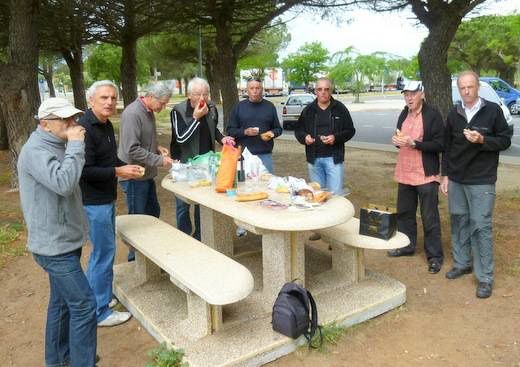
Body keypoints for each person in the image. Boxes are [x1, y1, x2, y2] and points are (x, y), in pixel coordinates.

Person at [17, 98, 97, 367]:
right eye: (65, 119)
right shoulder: (36, 151)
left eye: (74, 118)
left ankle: (59, 359)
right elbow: (63, 183)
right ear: (45, 124)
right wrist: (76, 145)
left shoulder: (58, 143)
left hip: (65, 241)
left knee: (62, 304)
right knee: (85, 305)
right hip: (52, 247)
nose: (73, 123)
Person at [441, 71, 512, 298]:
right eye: (462, 88)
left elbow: (505, 140)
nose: (466, 91)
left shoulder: (492, 110)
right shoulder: (454, 113)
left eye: (470, 87)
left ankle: (485, 278)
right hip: (457, 179)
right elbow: (448, 147)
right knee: (459, 220)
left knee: (481, 226)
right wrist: (445, 175)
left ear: (478, 86)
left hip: (481, 179)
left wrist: (483, 140)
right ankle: (462, 263)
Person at [79, 80, 143, 326]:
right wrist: (118, 172)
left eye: (113, 98)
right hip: (93, 202)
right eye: (104, 98)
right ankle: (98, 311)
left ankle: (100, 298)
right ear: (91, 100)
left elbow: (108, 159)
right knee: (103, 253)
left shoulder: (105, 125)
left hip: (106, 198)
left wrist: (124, 167)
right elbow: (85, 171)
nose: (109, 102)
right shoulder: (86, 128)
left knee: (105, 251)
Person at [386, 81, 444, 274]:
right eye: (406, 94)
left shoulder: (432, 115)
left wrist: (415, 144)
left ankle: (434, 256)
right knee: (405, 214)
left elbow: (439, 144)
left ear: (422, 94)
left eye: (412, 94)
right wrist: (397, 141)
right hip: (405, 172)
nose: (409, 98)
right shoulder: (404, 112)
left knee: (429, 217)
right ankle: (407, 246)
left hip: (425, 175)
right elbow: (400, 136)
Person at [170, 77, 234, 240]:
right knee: (183, 205)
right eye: (197, 94)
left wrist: (222, 139)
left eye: (205, 93)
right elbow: (181, 138)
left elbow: (214, 131)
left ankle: (200, 235)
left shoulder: (211, 107)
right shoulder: (178, 111)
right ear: (189, 94)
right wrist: (196, 118)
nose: (202, 98)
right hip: (184, 163)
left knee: (202, 202)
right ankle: (184, 236)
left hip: (207, 163)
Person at [118, 83, 175, 261]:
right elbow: (131, 149)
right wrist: (160, 160)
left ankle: (149, 259)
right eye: (163, 103)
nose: (163, 107)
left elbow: (142, 140)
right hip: (134, 177)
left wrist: (156, 148)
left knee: (152, 215)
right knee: (139, 222)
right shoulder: (133, 113)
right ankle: (135, 261)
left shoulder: (148, 111)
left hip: (146, 175)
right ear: (151, 97)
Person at [294, 77, 356, 196]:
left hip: (334, 159)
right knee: (317, 195)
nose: (323, 92)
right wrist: (305, 138)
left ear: (331, 91)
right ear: (315, 91)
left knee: (335, 196)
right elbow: (299, 130)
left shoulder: (340, 108)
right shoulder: (308, 110)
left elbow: (350, 130)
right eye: (320, 89)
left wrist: (336, 138)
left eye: (326, 89)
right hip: (314, 160)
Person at [227, 77, 282, 173]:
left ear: (262, 89)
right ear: (247, 90)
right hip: (243, 155)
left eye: (258, 88)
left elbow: (278, 129)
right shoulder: (239, 107)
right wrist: (245, 132)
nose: (255, 91)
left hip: (265, 155)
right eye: (251, 88)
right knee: (245, 186)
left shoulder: (269, 106)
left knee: (266, 185)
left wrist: (271, 133)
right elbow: (230, 130)